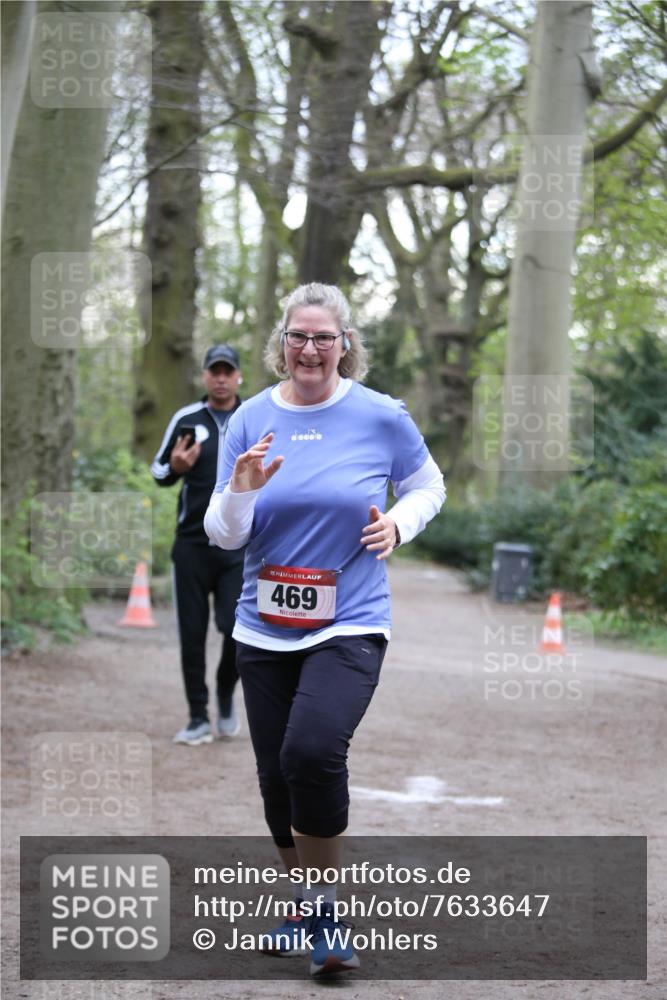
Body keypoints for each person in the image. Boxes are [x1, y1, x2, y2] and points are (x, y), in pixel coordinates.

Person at [204, 284, 445, 975]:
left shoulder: (380, 416)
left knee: (310, 751)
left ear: (346, 345)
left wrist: (400, 522)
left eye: (323, 338)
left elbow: (430, 484)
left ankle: (327, 911)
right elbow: (222, 535)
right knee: (275, 775)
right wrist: (243, 486)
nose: (309, 349)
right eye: (297, 336)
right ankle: (305, 901)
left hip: (351, 618)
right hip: (262, 625)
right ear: (280, 343)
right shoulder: (248, 419)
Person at [151, 345, 245, 746]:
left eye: (228, 371)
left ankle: (225, 692)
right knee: (191, 634)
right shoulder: (187, 419)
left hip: (239, 547)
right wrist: (176, 468)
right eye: (214, 371)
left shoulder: (253, 417)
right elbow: (158, 471)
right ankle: (197, 717)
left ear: (239, 375)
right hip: (191, 546)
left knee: (236, 629)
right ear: (205, 376)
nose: (221, 378)